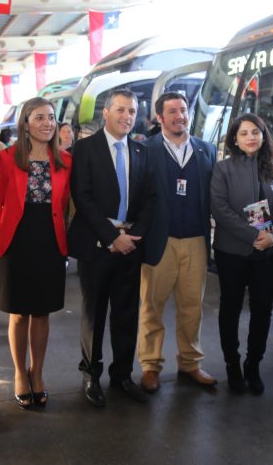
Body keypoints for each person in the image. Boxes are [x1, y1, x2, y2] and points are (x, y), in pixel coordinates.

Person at [68, 89, 155, 407]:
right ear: (105, 113)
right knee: (94, 313)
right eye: (120, 110)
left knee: (127, 313)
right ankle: (91, 374)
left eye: (132, 111)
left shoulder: (142, 151)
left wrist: (135, 236)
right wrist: (111, 236)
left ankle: (122, 375)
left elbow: (149, 199)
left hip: (130, 247)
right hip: (97, 246)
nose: (127, 116)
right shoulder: (86, 148)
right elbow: (83, 197)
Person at [0, 97, 72, 409]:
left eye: (51, 117)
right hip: (16, 241)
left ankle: (37, 373)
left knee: (42, 311)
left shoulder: (65, 161)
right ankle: (19, 374)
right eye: (39, 117)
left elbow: (64, 207)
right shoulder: (8, 159)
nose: (47, 123)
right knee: (19, 312)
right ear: (25, 123)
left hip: (49, 241)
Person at [137, 93, 218, 395]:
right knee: (152, 307)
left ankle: (190, 362)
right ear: (159, 118)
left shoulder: (206, 150)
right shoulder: (145, 150)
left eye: (183, 110)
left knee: (191, 306)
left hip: (196, 239)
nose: (179, 116)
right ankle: (150, 365)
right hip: (160, 241)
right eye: (171, 111)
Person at [211, 114, 273, 394]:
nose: (251, 137)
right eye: (244, 133)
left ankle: (253, 364)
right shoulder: (223, 169)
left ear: (263, 136)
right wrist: (252, 236)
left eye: (256, 132)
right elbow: (219, 209)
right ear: (235, 138)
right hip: (232, 252)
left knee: (262, 309)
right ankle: (232, 365)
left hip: (268, 253)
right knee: (230, 308)